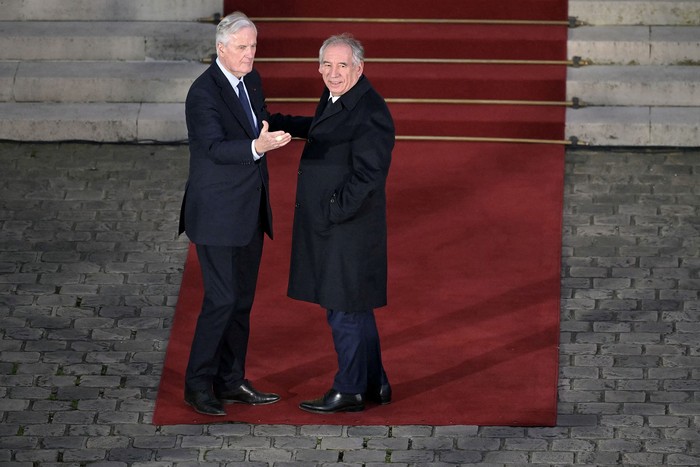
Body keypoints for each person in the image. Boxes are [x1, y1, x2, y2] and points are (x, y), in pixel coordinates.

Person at [178, 11, 311, 416]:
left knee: (241, 303)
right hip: (216, 215)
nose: (250, 54)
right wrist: (257, 148)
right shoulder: (203, 93)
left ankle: (231, 380)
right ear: (221, 49)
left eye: (254, 46)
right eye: (242, 47)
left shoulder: (249, 80)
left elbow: (265, 121)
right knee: (221, 300)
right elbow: (213, 149)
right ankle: (197, 385)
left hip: (248, 212)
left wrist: (317, 125)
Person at [288, 34, 395, 414]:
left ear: (359, 68)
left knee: (343, 308)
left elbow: (369, 176)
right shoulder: (340, 97)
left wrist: (334, 209)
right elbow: (325, 127)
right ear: (318, 67)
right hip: (342, 226)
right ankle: (374, 382)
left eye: (342, 66)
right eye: (327, 65)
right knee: (355, 306)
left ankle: (349, 389)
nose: (333, 73)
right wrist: (283, 125)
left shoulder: (371, 111)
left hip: (348, 227)